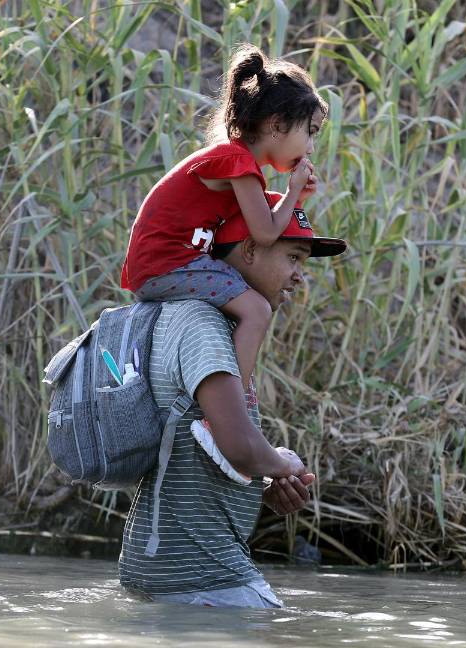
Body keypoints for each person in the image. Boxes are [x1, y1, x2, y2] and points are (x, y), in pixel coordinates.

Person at [118, 203, 348, 609]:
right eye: (292, 258)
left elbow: (199, 444)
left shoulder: (215, 325)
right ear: (249, 249)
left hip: (169, 568)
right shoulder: (202, 325)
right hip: (199, 572)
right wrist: (284, 464)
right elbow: (238, 444)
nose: (299, 274)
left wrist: (264, 483)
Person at [120, 43, 328, 399]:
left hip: (167, 262)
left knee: (244, 298)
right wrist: (292, 192)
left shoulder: (235, 163)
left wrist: (297, 197)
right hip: (167, 263)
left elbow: (254, 225)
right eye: (309, 131)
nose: (310, 147)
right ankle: (236, 401)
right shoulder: (237, 163)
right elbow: (264, 234)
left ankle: (227, 388)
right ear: (277, 125)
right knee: (257, 310)